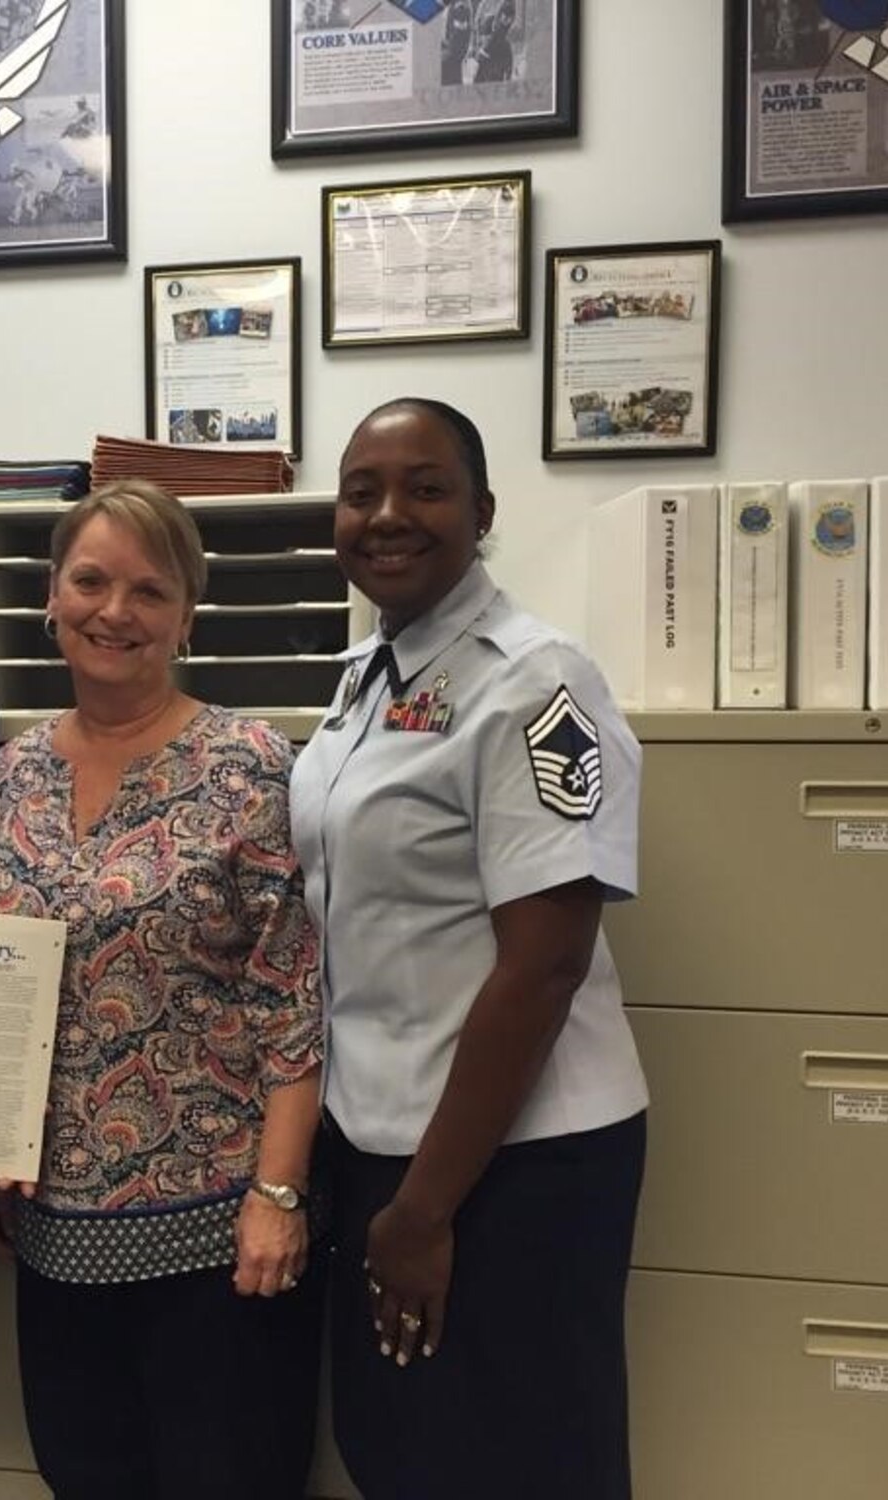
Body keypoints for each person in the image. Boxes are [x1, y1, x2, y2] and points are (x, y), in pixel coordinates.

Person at [290, 399, 649, 1500]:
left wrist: (425, 1209)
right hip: (380, 1141)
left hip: (508, 1160)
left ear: (482, 511)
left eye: (424, 487)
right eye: (360, 491)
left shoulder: (539, 683)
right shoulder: (367, 677)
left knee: (519, 1458)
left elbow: (542, 964)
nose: (386, 514)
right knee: (401, 1451)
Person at [0, 481, 325, 1500]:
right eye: (89, 580)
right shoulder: (12, 772)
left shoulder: (246, 766)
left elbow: (290, 998)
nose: (111, 612)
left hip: (218, 1239)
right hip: (54, 1241)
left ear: (184, 617)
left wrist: (277, 1195)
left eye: (146, 591)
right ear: (49, 595)